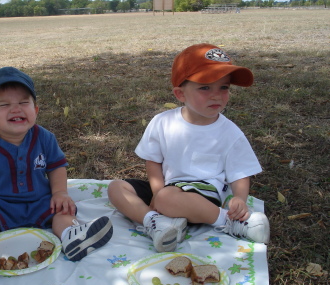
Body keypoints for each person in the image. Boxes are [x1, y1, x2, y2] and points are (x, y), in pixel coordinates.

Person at [0, 67, 113, 275]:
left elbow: (56, 167)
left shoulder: (44, 138)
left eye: (23, 102)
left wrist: (60, 193)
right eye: (5, 104)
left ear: (35, 110)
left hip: (39, 200)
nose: (16, 109)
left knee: (62, 210)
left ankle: (72, 236)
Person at [108, 43, 269, 252]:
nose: (217, 95)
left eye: (224, 87)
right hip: (168, 188)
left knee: (168, 198)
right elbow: (153, 162)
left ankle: (228, 221)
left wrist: (239, 198)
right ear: (180, 94)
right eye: (205, 87)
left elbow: (240, 172)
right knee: (116, 187)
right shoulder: (162, 122)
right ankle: (155, 222)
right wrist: (157, 192)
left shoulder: (229, 132)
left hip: (204, 194)